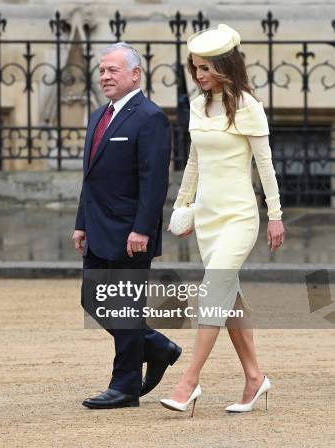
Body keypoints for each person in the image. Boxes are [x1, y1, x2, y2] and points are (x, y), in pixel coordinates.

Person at [159, 24, 285, 416]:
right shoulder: (198, 106)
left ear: (226, 66)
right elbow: (194, 162)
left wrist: (276, 215)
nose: (198, 76)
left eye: (205, 68)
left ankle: (187, 383)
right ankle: (254, 377)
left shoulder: (248, 106)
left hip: (239, 217)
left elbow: (265, 166)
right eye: (195, 68)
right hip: (208, 217)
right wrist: (182, 206)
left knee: (212, 291)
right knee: (228, 297)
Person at [73, 42, 181, 410]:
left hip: (131, 233)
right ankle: (157, 346)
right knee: (93, 299)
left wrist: (142, 230)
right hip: (97, 228)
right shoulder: (97, 116)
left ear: (135, 74)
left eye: (113, 70)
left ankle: (125, 386)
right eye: (102, 70)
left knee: (125, 309)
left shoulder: (149, 117)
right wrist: (81, 223)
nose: (104, 76)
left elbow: (154, 182)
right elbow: (91, 177)